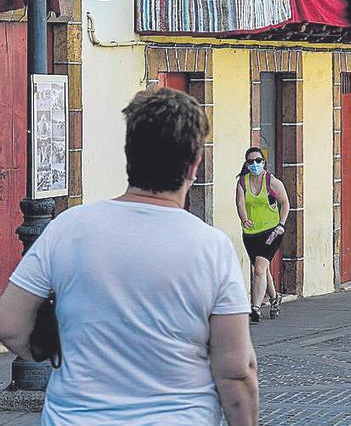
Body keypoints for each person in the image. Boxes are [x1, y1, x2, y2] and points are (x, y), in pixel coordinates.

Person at [0, 88, 257, 423]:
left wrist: (64, 357)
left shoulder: (68, 228)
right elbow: (236, 370)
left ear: (129, 155)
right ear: (194, 165)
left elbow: (10, 325)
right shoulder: (212, 247)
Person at [235, 146, 290, 323]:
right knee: (262, 270)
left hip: (271, 231)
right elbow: (240, 204)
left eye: (258, 161)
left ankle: (255, 309)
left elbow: (285, 203)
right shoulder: (242, 182)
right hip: (250, 233)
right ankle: (275, 298)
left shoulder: (272, 181)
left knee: (258, 269)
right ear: (247, 163)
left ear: (263, 162)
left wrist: (281, 224)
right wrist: (244, 219)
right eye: (251, 161)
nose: (255, 164)